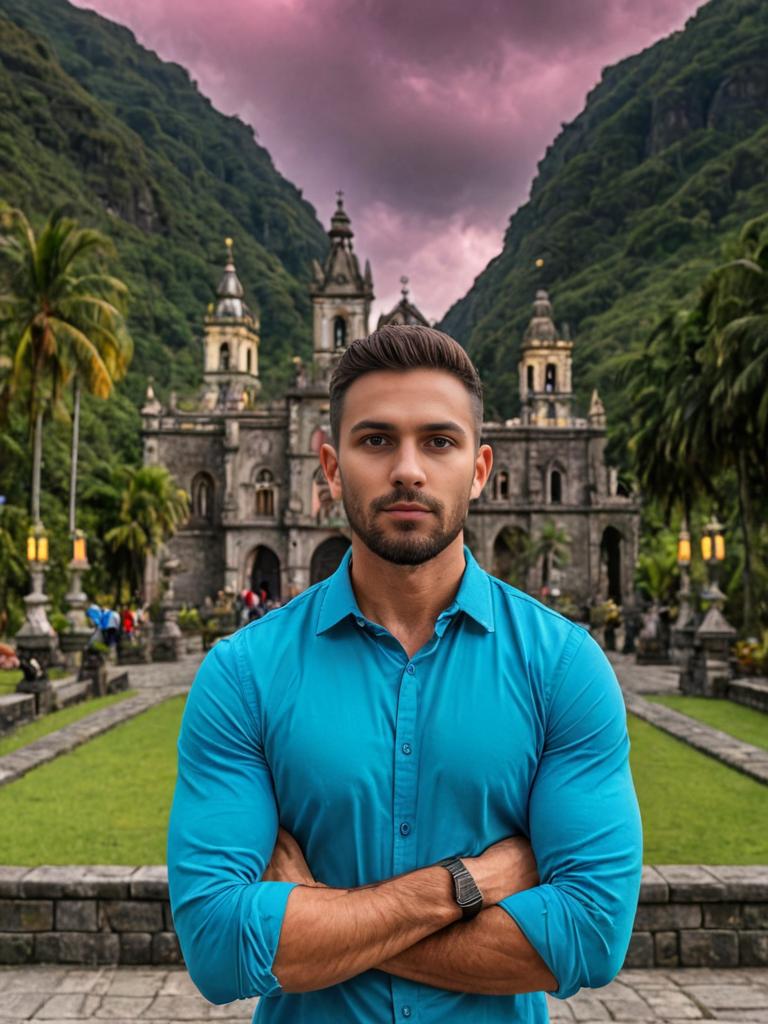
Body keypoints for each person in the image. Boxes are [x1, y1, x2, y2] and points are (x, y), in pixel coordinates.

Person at [168, 325, 642, 1022]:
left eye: (439, 442)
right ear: (329, 469)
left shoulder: (564, 669)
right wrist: (473, 882)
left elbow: (590, 937)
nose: (409, 470)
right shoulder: (242, 676)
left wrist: (323, 917)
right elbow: (216, 947)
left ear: (481, 470)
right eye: (376, 440)